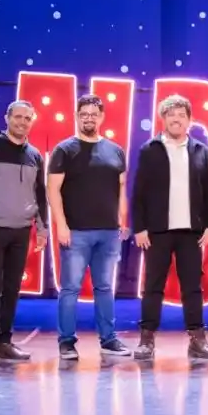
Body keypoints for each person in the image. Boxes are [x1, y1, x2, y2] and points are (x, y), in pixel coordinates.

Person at [131, 94, 208, 360]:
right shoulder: (150, 149)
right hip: (157, 231)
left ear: (189, 120)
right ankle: (146, 339)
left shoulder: (201, 150)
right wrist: (140, 228)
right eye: (171, 115)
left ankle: (197, 339)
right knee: (153, 285)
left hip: (191, 232)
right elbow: (139, 192)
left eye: (182, 115)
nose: (176, 119)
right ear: (164, 119)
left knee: (192, 287)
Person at [47, 94, 131, 360]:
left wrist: (123, 220)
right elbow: (52, 190)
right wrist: (61, 225)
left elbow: (121, 188)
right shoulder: (64, 150)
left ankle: (108, 339)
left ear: (101, 117)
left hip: (108, 233)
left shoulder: (115, 151)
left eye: (93, 114)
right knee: (70, 288)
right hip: (76, 232)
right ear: (76, 116)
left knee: (104, 287)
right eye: (84, 114)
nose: (89, 118)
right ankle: (67, 342)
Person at [0, 100, 48, 364]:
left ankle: (5, 342)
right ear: (7, 118)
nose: (22, 122)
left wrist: (42, 228)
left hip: (21, 231)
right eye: (18, 117)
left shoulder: (35, 155)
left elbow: (40, 194)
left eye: (27, 118)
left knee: (12, 288)